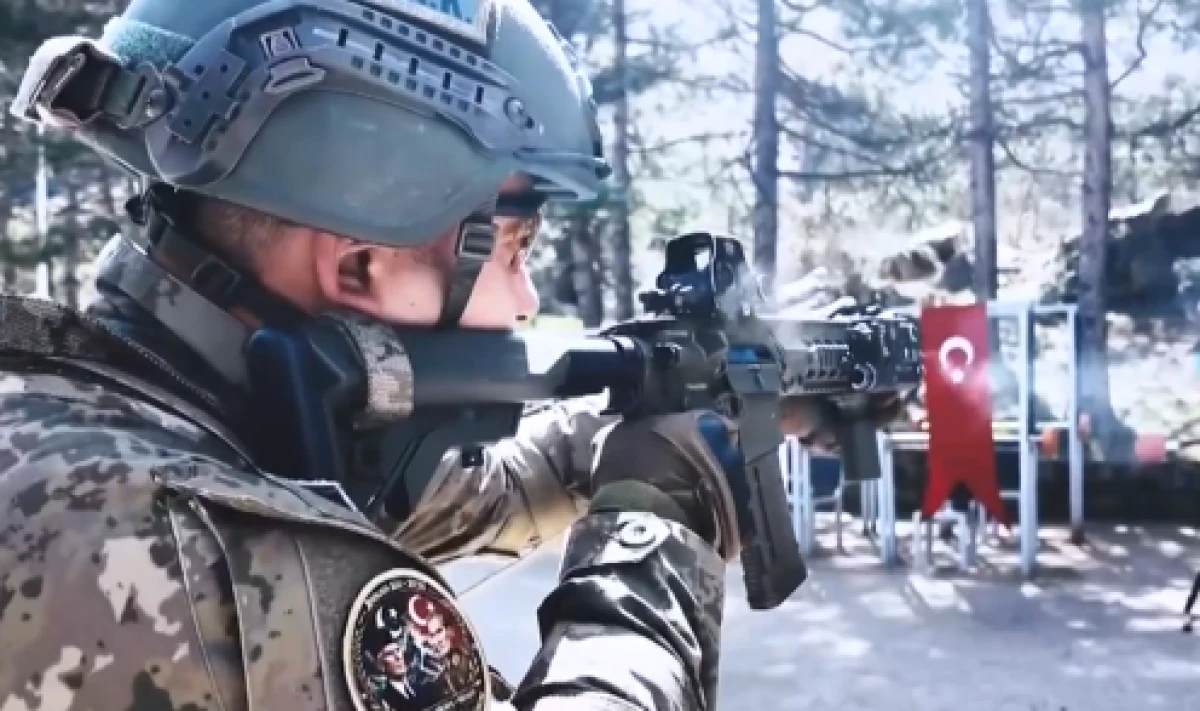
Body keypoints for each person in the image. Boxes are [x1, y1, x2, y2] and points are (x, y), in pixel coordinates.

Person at [1, 0, 899, 709]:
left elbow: (476, 491)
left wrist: (669, 415)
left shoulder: (134, 416)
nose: (526, 298)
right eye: (516, 246)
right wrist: (655, 529)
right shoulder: (205, 557)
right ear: (360, 264)